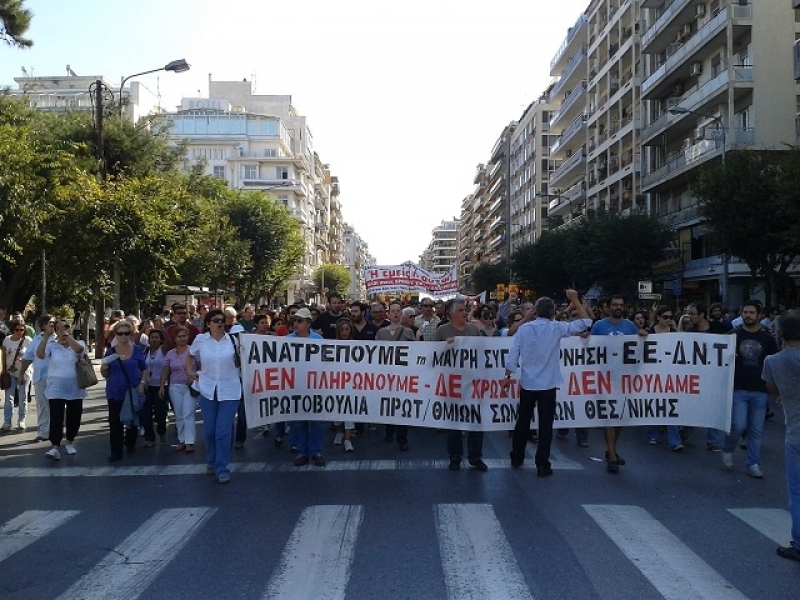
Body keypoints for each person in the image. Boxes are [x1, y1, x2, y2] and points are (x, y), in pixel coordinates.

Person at [503, 290, 592, 476]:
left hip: (528, 383)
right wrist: (575, 300)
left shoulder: (525, 329)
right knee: (545, 425)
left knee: (523, 422)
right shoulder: (557, 328)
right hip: (548, 384)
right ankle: (542, 463)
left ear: (535, 311)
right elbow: (586, 322)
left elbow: (514, 353)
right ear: (552, 313)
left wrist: (507, 374)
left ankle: (516, 456)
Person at [722, 300, 779, 478]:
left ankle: (753, 462)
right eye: (745, 312)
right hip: (738, 388)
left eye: (752, 312)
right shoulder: (733, 336)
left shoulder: (768, 339)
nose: (748, 316)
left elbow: (775, 364)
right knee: (738, 425)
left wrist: (777, 389)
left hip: (760, 390)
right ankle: (728, 449)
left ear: (759, 315)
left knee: (756, 430)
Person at [590, 294, 646, 473]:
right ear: (608, 307)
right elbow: (589, 348)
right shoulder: (599, 326)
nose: (618, 307)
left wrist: (644, 336)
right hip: (605, 378)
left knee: (620, 416)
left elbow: (638, 348)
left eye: (621, 305)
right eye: (615, 305)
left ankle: (611, 449)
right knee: (609, 415)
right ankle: (612, 457)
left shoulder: (630, 326)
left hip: (625, 378)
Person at [761, 310, 800, 562]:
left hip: (796, 434)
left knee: (797, 492)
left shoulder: (772, 362)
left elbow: (771, 388)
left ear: (781, 334)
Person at [188, 308, 242, 484]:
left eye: (222, 320)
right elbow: (190, 356)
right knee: (210, 431)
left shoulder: (234, 340)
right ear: (208, 324)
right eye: (216, 320)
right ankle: (211, 460)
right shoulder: (200, 340)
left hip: (230, 389)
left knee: (222, 431)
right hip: (208, 389)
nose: (220, 323)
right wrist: (190, 371)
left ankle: (222, 467)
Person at [434, 299, 486, 472]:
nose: (465, 312)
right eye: (462, 310)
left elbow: (482, 353)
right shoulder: (442, 330)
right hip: (452, 385)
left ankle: (475, 457)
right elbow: (433, 357)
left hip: (472, 383)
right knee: (454, 423)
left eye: (466, 310)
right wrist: (445, 348)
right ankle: (455, 457)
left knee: (476, 423)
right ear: (451, 313)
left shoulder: (473, 330)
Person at [37, 319, 87, 460]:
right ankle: (54, 447)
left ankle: (70, 442)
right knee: (56, 418)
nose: (62, 330)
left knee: (74, 417)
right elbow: (40, 355)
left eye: (65, 327)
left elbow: (79, 350)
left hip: (75, 387)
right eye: (58, 328)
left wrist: (67, 336)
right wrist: (46, 336)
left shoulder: (79, 343)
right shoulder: (52, 345)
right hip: (56, 388)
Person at [101, 319, 149, 463]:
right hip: (115, 391)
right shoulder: (110, 352)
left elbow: (145, 369)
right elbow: (105, 374)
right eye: (120, 333)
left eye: (126, 333)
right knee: (115, 422)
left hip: (132, 389)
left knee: (132, 419)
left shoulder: (137, 350)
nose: (123, 336)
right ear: (115, 335)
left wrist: (142, 383)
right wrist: (104, 368)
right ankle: (116, 451)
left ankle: (130, 443)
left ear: (131, 334)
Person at [376, 302, 416, 451]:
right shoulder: (381, 333)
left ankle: (402, 439)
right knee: (388, 405)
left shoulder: (408, 332)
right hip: (386, 376)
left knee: (401, 407)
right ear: (388, 313)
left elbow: (415, 352)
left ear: (401, 314)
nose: (395, 313)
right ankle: (389, 430)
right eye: (392, 311)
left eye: (398, 311)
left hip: (403, 376)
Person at [289, 308, 326, 466]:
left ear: (308, 324)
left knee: (316, 421)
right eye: (295, 320)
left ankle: (317, 452)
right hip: (295, 386)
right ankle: (302, 452)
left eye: (300, 321)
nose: (296, 323)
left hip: (315, 386)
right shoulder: (286, 340)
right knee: (299, 421)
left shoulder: (318, 340)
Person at [644, 306, 683, 450]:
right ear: (658, 317)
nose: (668, 320)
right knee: (656, 405)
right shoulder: (649, 332)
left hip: (670, 375)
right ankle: (653, 434)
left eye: (671, 317)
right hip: (652, 375)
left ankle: (675, 442)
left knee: (669, 407)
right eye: (665, 317)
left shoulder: (674, 334)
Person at [160, 325, 196, 453]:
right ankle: (182, 440)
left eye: (184, 336)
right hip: (175, 386)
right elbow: (165, 371)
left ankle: (190, 441)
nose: (182, 339)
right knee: (179, 415)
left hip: (191, 386)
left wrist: (194, 378)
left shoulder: (193, 351)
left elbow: (202, 368)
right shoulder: (170, 353)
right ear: (174, 339)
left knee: (188, 413)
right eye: (179, 336)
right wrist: (162, 386)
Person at [19, 315, 56, 442]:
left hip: (57, 379)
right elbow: (28, 358)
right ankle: (43, 432)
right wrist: (21, 374)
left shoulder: (60, 339)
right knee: (42, 406)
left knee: (58, 406)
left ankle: (57, 430)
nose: (52, 325)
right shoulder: (36, 341)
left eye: (53, 323)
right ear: (42, 326)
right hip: (40, 378)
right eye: (49, 323)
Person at [2, 319, 32, 431]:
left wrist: (24, 360)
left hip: (24, 372)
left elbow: (32, 355)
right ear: (12, 330)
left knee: (22, 396)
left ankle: (21, 420)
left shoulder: (28, 340)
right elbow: (4, 356)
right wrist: (3, 370)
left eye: (22, 330)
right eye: (17, 330)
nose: (20, 332)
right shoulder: (7, 340)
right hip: (10, 372)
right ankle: (7, 421)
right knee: (8, 398)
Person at [332, 317, 357, 452]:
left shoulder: (357, 346)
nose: (344, 332)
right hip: (335, 383)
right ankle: (339, 432)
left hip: (351, 384)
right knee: (336, 412)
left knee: (349, 411)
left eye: (347, 329)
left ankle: (348, 440)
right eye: (342, 330)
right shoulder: (331, 345)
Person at [140, 329, 168, 447]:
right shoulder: (145, 351)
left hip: (161, 386)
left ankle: (161, 431)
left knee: (160, 412)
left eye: (157, 337)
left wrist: (162, 327)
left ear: (161, 340)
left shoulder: (164, 350)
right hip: (147, 386)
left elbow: (168, 339)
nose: (154, 339)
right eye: (152, 337)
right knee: (146, 413)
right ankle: (149, 438)